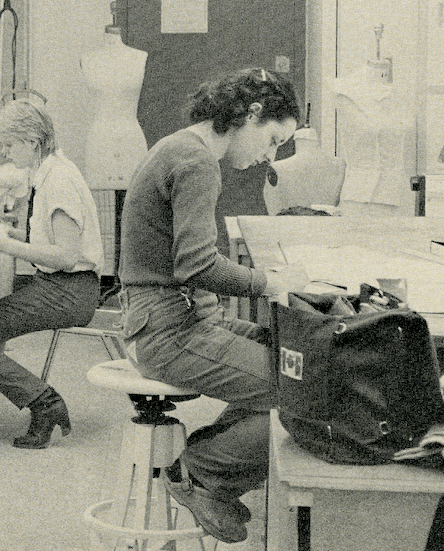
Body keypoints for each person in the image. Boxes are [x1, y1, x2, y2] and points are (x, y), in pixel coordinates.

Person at [119, 68, 308, 543]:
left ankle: (210, 467)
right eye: (272, 141)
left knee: (296, 359)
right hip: (167, 331)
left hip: (170, 318)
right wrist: (271, 283)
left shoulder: (181, 147)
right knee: (300, 388)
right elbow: (198, 265)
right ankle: (202, 472)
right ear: (251, 114)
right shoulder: (197, 161)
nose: (269, 156)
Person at [0, 99, 105, 449]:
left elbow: (66, 256)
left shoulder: (59, 181)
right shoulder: (52, 172)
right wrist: (9, 234)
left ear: (31, 141)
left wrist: (3, 245)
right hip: (62, 285)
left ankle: (45, 403)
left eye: (10, 145)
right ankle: (41, 401)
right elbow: (53, 241)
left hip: (69, 291)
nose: (6, 152)